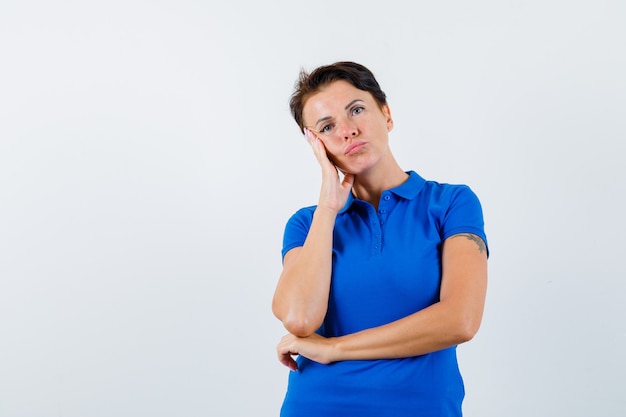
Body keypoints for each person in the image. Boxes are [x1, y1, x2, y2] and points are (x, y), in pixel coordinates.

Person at [272, 61, 488, 417]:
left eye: (356, 110)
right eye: (327, 126)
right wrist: (328, 208)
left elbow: (460, 320)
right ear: (316, 145)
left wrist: (335, 349)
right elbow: (298, 319)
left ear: (386, 114)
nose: (348, 131)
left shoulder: (450, 203)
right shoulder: (307, 224)